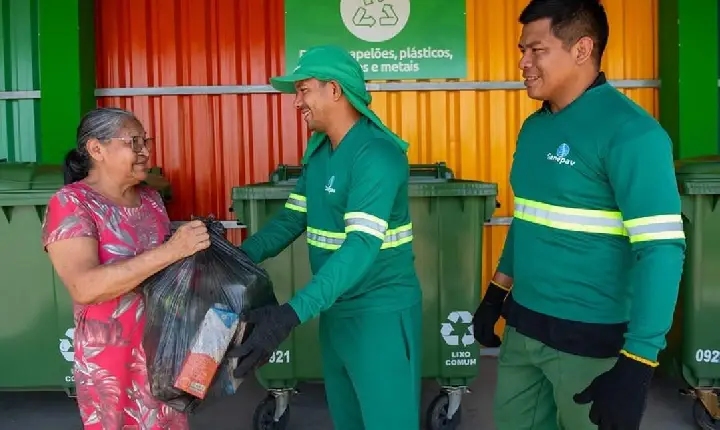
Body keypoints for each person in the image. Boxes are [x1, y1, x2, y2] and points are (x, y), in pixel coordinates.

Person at [472, 1, 686, 429]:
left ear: (582, 49)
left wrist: (639, 361)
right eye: (522, 50)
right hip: (523, 332)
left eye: (536, 50)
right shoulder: (535, 128)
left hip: (591, 345)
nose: (523, 62)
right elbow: (529, 218)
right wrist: (496, 293)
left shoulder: (634, 134)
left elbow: (662, 252)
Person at [226, 45, 423, 430]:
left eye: (304, 90)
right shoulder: (319, 154)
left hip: (378, 317)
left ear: (335, 90)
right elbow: (291, 220)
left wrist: (290, 314)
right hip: (335, 312)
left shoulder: (376, 155)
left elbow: (360, 246)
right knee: (348, 421)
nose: (297, 101)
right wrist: (235, 257)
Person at [42, 107, 210, 429]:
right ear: (96, 149)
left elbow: (168, 272)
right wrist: (171, 250)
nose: (145, 151)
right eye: (133, 143)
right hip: (111, 364)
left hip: (163, 354)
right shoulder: (71, 204)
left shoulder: (150, 200)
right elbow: (85, 287)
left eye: (145, 141)